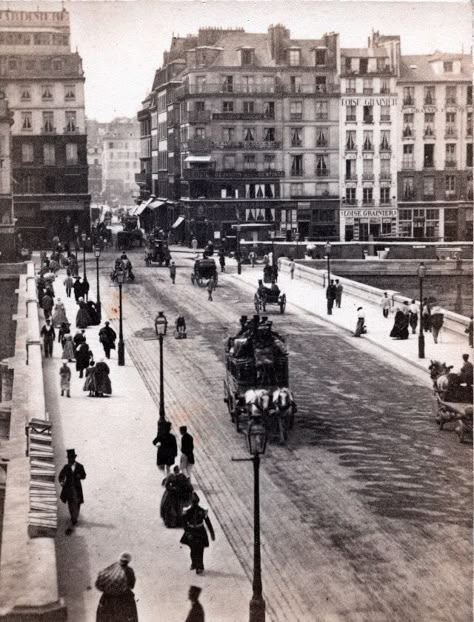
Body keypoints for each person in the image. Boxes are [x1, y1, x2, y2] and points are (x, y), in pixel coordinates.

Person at [95, 552, 138, 622]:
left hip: (107, 600)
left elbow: (99, 584)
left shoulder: (110, 568)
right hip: (124, 600)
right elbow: (132, 585)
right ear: (128, 561)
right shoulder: (129, 570)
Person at [180, 493, 215, 575]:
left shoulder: (202, 511)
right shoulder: (188, 512)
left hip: (200, 532)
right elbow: (184, 523)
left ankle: (200, 566)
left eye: (195, 502)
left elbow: (208, 522)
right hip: (192, 531)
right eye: (193, 502)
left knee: (200, 550)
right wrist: (187, 532)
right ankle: (194, 563)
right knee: (193, 550)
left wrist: (212, 533)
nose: (194, 504)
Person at [58, 449, 86, 533]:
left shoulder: (80, 466)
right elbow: (61, 476)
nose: (70, 460)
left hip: (77, 488)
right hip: (69, 488)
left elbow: (84, 475)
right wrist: (62, 482)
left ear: (74, 458)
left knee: (77, 503)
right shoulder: (66, 467)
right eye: (69, 458)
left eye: (71, 458)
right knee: (70, 503)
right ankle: (73, 517)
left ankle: (75, 518)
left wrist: (79, 476)